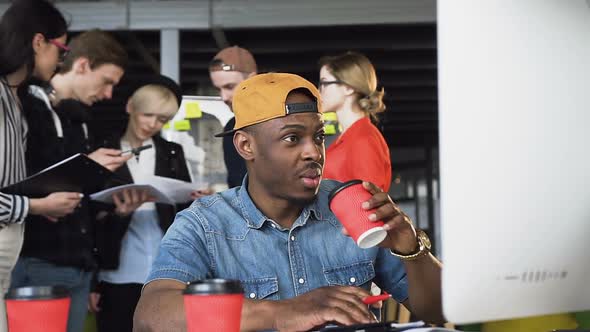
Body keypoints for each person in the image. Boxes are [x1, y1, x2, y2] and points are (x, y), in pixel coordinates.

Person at [134, 73, 444, 331]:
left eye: (319, 136)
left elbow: (439, 312)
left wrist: (412, 248)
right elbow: (151, 316)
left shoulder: (351, 206)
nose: (314, 153)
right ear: (245, 145)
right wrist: (281, 312)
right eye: (292, 138)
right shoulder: (205, 224)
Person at [10, 30, 130, 332]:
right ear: (82, 65)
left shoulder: (78, 119)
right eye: (107, 82)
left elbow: (78, 197)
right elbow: (21, 179)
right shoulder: (23, 105)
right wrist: (87, 167)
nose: (108, 95)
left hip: (77, 262)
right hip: (38, 257)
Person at [88, 75, 196, 332]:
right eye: (147, 115)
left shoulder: (172, 153)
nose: (152, 124)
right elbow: (87, 218)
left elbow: (184, 211)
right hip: (117, 269)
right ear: (130, 107)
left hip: (166, 271)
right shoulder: (100, 150)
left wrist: (195, 200)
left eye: (162, 120)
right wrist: (120, 214)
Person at [0, 1, 80, 331]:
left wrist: (36, 204)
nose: (62, 63)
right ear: (38, 42)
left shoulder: (15, 98)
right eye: (62, 50)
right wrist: (34, 205)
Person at [319, 52, 392, 192]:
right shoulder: (351, 137)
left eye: (324, 83)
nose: (319, 90)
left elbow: (368, 205)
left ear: (348, 88)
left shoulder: (363, 140)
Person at [209, 46, 257, 188]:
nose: (223, 97)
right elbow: (236, 183)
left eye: (229, 86)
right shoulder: (231, 127)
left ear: (252, 79)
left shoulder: (281, 120)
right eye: (218, 89)